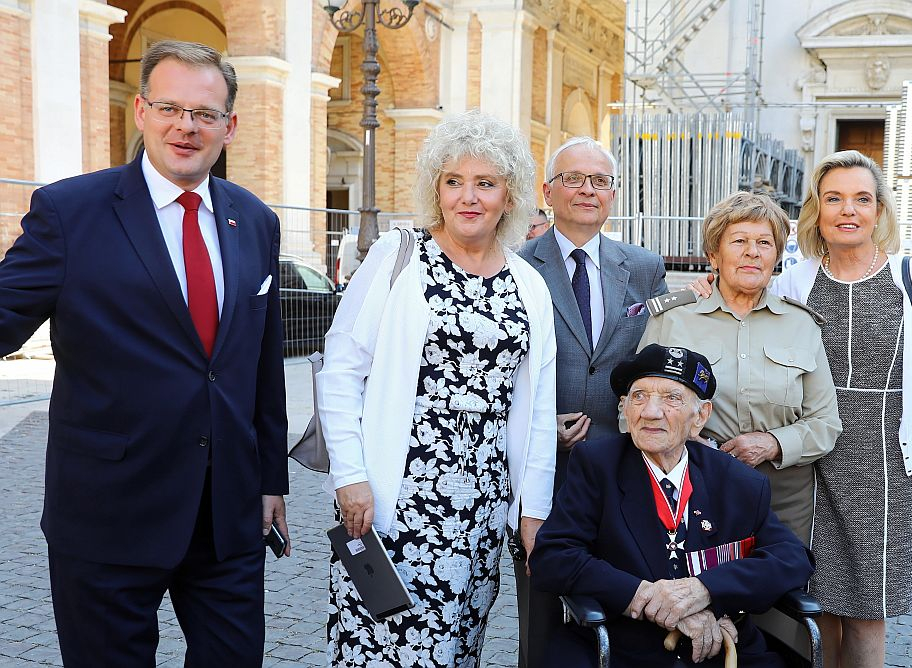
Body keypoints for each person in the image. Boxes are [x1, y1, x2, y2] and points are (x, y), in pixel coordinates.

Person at [0, 40, 290, 666]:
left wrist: (271, 480)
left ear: (229, 126)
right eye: (170, 107)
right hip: (108, 512)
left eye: (205, 113)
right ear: (140, 111)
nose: (186, 126)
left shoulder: (256, 221)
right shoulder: (70, 213)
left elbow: (262, 363)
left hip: (226, 516)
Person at [690, 150, 912, 667]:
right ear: (817, 209)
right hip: (810, 461)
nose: (847, 210)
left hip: (885, 460)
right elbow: (743, 296)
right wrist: (707, 282)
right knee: (816, 601)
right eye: (834, 198)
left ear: (879, 210)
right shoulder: (798, 278)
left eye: (861, 199)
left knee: (867, 607)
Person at [316, 109, 557, 667]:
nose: (467, 197)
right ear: (436, 188)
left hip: (482, 508)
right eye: (454, 182)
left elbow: (538, 405)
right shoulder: (398, 257)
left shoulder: (529, 284)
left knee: (456, 651)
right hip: (396, 501)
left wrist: (532, 509)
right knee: (381, 649)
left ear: (510, 194)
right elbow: (340, 373)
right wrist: (350, 477)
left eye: (485, 183)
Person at [530, 344, 815, 668]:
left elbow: (792, 558)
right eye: (639, 396)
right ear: (624, 409)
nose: (650, 411)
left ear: (700, 417)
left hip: (720, 647)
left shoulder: (736, 480)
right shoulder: (597, 465)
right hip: (623, 646)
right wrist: (646, 597)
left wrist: (706, 592)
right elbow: (552, 557)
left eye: (671, 398)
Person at [515, 136, 667, 667]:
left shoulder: (644, 268)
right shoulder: (516, 265)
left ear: (614, 196)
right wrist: (535, 426)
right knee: (538, 602)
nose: (587, 190)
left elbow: (648, 357)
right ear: (548, 192)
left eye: (600, 181)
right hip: (540, 470)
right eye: (574, 179)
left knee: (619, 604)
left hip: (620, 469)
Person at [639, 191, 841, 545]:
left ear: (776, 256)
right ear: (714, 256)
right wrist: (677, 439)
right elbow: (633, 406)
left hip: (782, 497)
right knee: (695, 594)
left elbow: (825, 423)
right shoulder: (674, 320)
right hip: (688, 484)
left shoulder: (801, 324)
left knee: (778, 593)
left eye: (765, 242)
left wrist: (771, 443)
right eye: (739, 241)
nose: (753, 252)